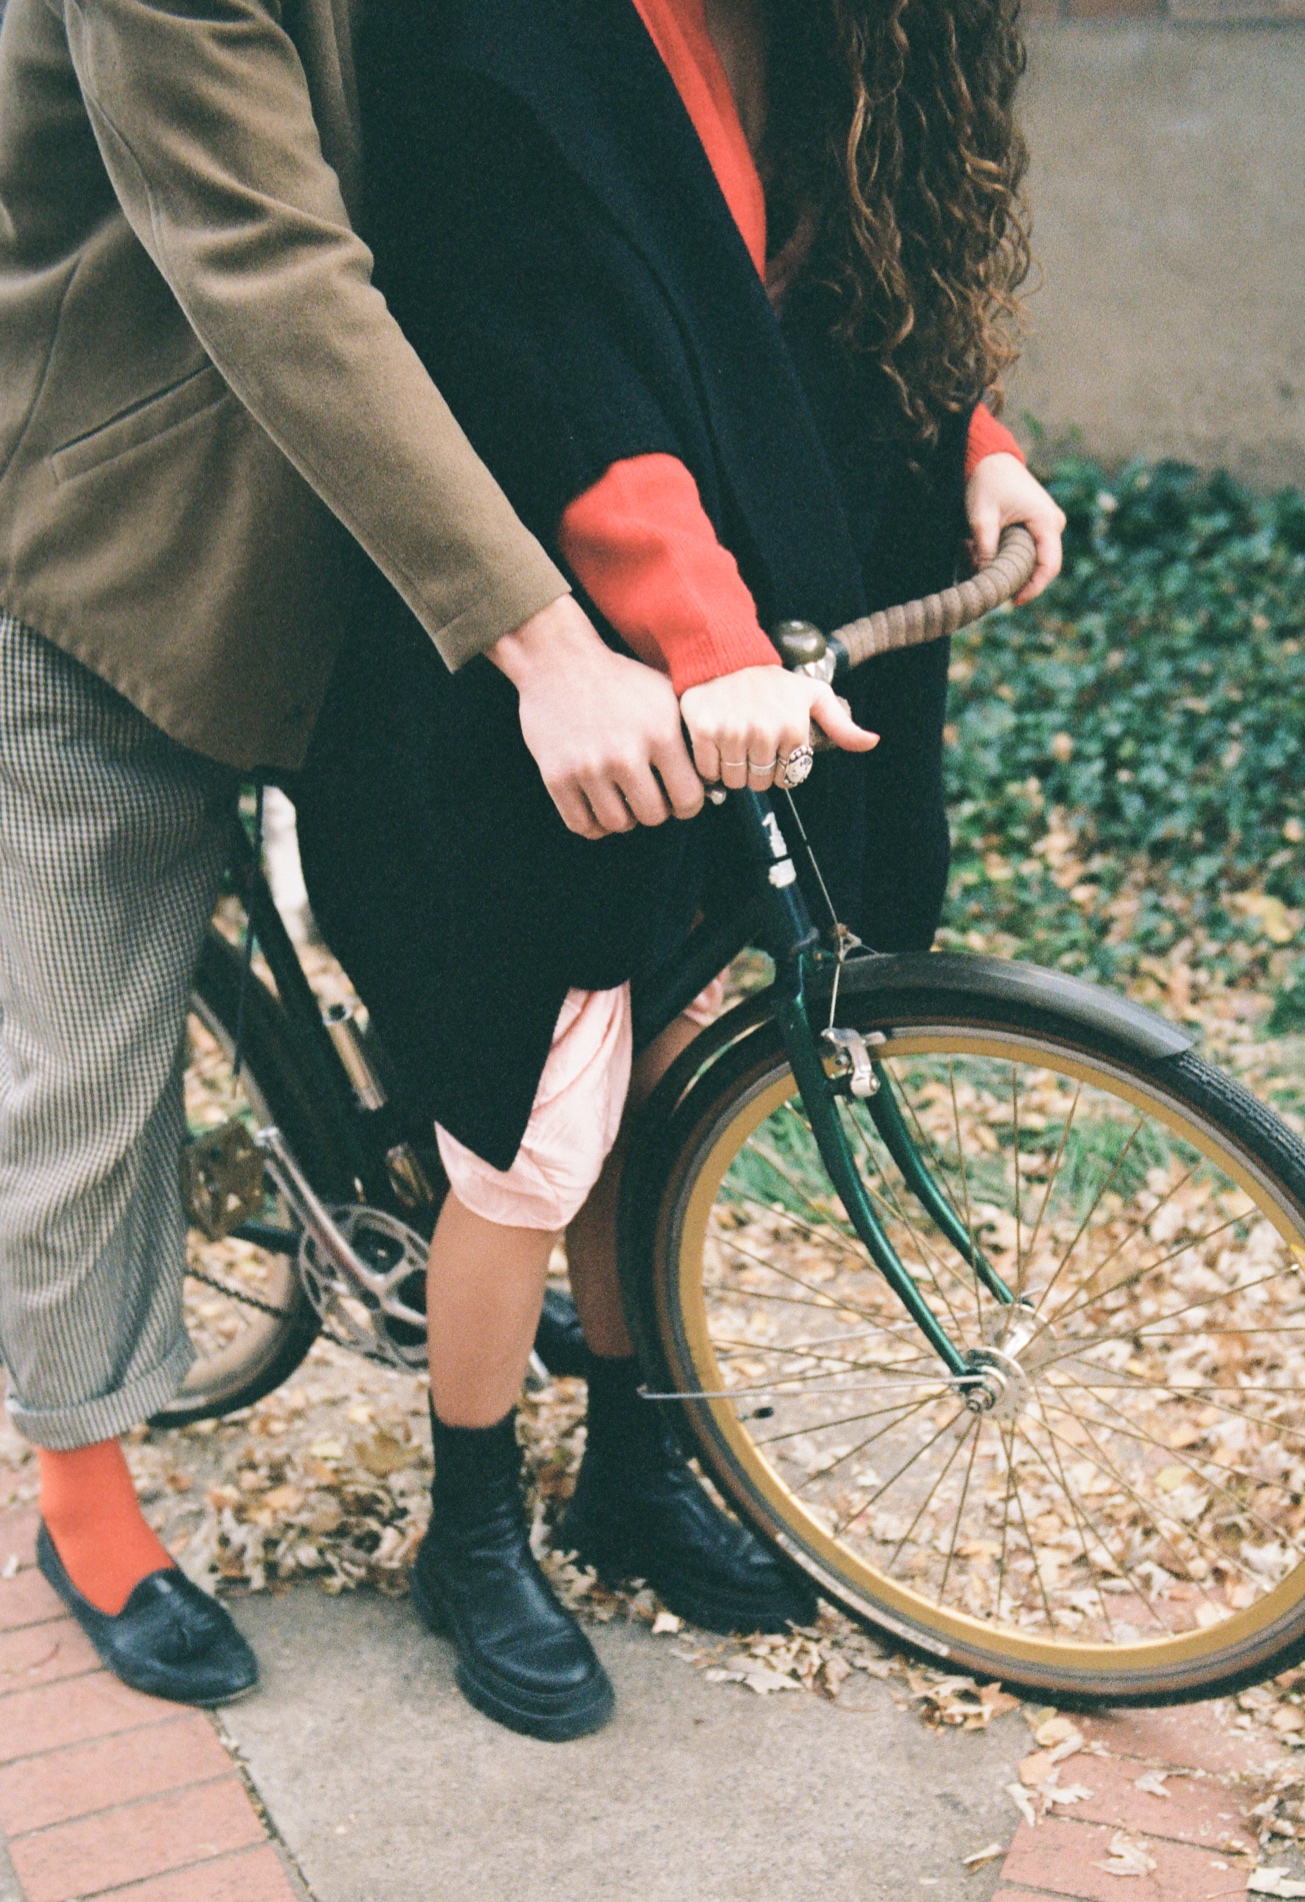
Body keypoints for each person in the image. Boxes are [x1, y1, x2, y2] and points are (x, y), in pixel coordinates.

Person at [294, 0, 1066, 1742]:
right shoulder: (496, 33)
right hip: (534, 667)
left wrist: (975, 442)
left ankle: (633, 1458)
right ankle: (470, 1523)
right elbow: (545, 354)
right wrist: (708, 643)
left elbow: (839, 276)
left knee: (659, 1065)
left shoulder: (813, 30)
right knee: (534, 1122)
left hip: (725, 680)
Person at [0, 0, 704, 1707]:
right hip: (111, 545)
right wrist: (548, 644)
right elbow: (269, 268)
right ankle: (82, 1495)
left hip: (380, 521)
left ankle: (434, 1244)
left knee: (473, 934)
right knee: (88, 1046)